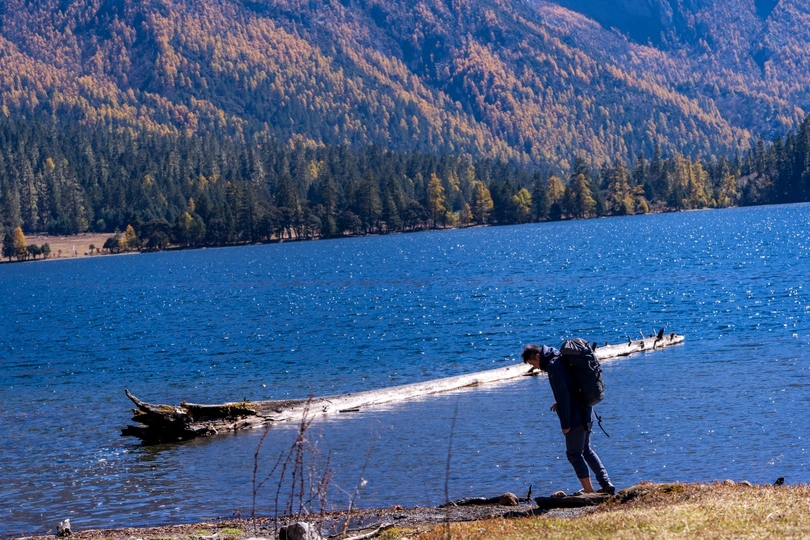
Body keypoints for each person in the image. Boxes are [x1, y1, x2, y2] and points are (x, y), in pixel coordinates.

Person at [522, 343, 615, 495]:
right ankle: (606, 483)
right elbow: (571, 388)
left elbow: (564, 396)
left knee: (574, 454)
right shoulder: (560, 359)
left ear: (538, 356)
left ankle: (589, 491)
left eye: (533, 364)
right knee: (586, 450)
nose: (535, 368)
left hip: (575, 417)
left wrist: (565, 424)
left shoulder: (553, 367)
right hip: (588, 410)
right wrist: (559, 403)